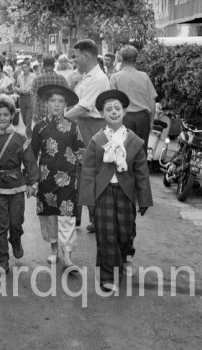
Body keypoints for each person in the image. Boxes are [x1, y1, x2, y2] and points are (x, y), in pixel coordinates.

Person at [79, 90, 153, 293]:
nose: (113, 112)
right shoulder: (97, 140)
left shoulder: (134, 141)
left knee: (125, 231)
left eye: (117, 108)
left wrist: (144, 198)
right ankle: (108, 276)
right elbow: (88, 171)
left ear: (125, 112)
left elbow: (142, 173)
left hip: (125, 194)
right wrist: (87, 198)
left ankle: (127, 256)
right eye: (108, 109)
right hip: (102, 193)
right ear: (102, 114)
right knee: (105, 234)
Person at [0, 94, 39, 275]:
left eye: (5, 114)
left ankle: (16, 239)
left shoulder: (20, 138)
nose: (2, 118)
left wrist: (33, 182)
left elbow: (30, 161)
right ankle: (2, 259)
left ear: (12, 115)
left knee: (17, 222)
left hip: (17, 187)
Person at [31, 85, 85, 268]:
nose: (56, 104)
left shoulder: (73, 127)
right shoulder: (39, 127)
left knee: (67, 217)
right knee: (50, 216)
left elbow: (80, 152)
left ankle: (68, 256)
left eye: (61, 101)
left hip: (68, 179)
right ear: (46, 103)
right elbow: (32, 154)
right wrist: (30, 180)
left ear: (66, 105)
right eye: (53, 101)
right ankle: (54, 249)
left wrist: (86, 173)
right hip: (45, 180)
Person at [64, 39, 110, 233]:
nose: (76, 61)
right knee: (78, 173)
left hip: (92, 127)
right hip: (81, 126)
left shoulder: (98, 78)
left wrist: (58, 118)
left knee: (90, 173)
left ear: (87, 56)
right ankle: (79, 217)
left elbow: (83, 106)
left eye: (77, 57)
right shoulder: (86, 76)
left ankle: (96, 218)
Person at [110, 45, 157, 154]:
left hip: (124, 118)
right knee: (141, 151)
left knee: (123, 152)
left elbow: (112, 102)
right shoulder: (144, 76)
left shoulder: (115, 77)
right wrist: (151, 122)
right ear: (136, 59)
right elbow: (152, 102)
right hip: (142, 119)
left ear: (121, 58)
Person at [31, 56, 69, 132]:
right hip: (58, 114)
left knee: (43, 136)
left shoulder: (37, 79)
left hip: (41, 114)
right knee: (57, 136)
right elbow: (67, 96)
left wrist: (34, 113)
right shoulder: (61, 78)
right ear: (54, 66)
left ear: (43, 66)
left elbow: (33, 98)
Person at [15, 60, 36, 137]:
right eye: (22, 67)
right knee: (24, 117)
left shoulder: (34, 76)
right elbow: (16, 86)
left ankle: (29, 136)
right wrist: (19, 90)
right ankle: (30, 132)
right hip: (22, 98)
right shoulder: (19, 77)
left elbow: (35, 87)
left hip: (30, 98)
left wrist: (30, 90)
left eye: (25, 67)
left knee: (28, 118)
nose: (24, 69)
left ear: (29, 67)